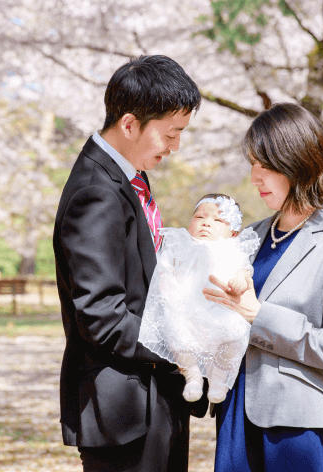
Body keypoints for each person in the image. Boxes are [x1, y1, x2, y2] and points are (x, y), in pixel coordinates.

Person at [54, 55, 203, 472]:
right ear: (130, 124)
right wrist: (180, 344)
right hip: (124, 409)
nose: (175, 147)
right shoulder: (96, 193)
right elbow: (101, 314)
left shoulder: (128, 175)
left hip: (150, 395)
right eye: (171, 134)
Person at [204, 102, 323, 472]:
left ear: (296, 162)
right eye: (253, 164)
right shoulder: (249, 236)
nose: (254, 178)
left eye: (264, 165)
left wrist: (258, 315)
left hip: (295, 428)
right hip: (233, 415)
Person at [138, 194, 261, 405]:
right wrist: (168, 282)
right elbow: (166, 267)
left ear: (233, 232)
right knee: (175, 331)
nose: (206, 223)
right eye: (200, 217)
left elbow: (244, 271)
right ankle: (192, 375)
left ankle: (219, 380)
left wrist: (240, 281)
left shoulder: (232, 249)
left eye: (217, 220)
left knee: (234, 333)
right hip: (185, 308)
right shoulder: (180, 243)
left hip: (220, 311)